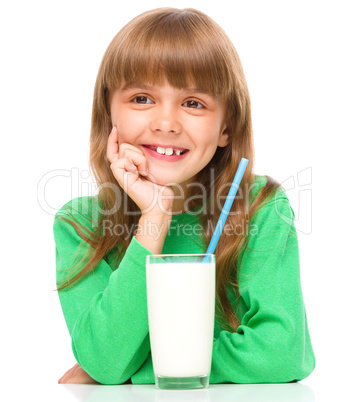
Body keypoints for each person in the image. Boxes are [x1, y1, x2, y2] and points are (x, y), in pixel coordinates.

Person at [54, 7, 315, 385]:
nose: (166, 123)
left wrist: (157, 367)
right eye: (142, 98)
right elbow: (105, 360)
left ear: (226, 127)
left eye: (193, 103)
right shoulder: (79, 225)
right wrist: (155, 218)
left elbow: (282, 354)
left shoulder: (260, 208)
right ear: (109, 112)